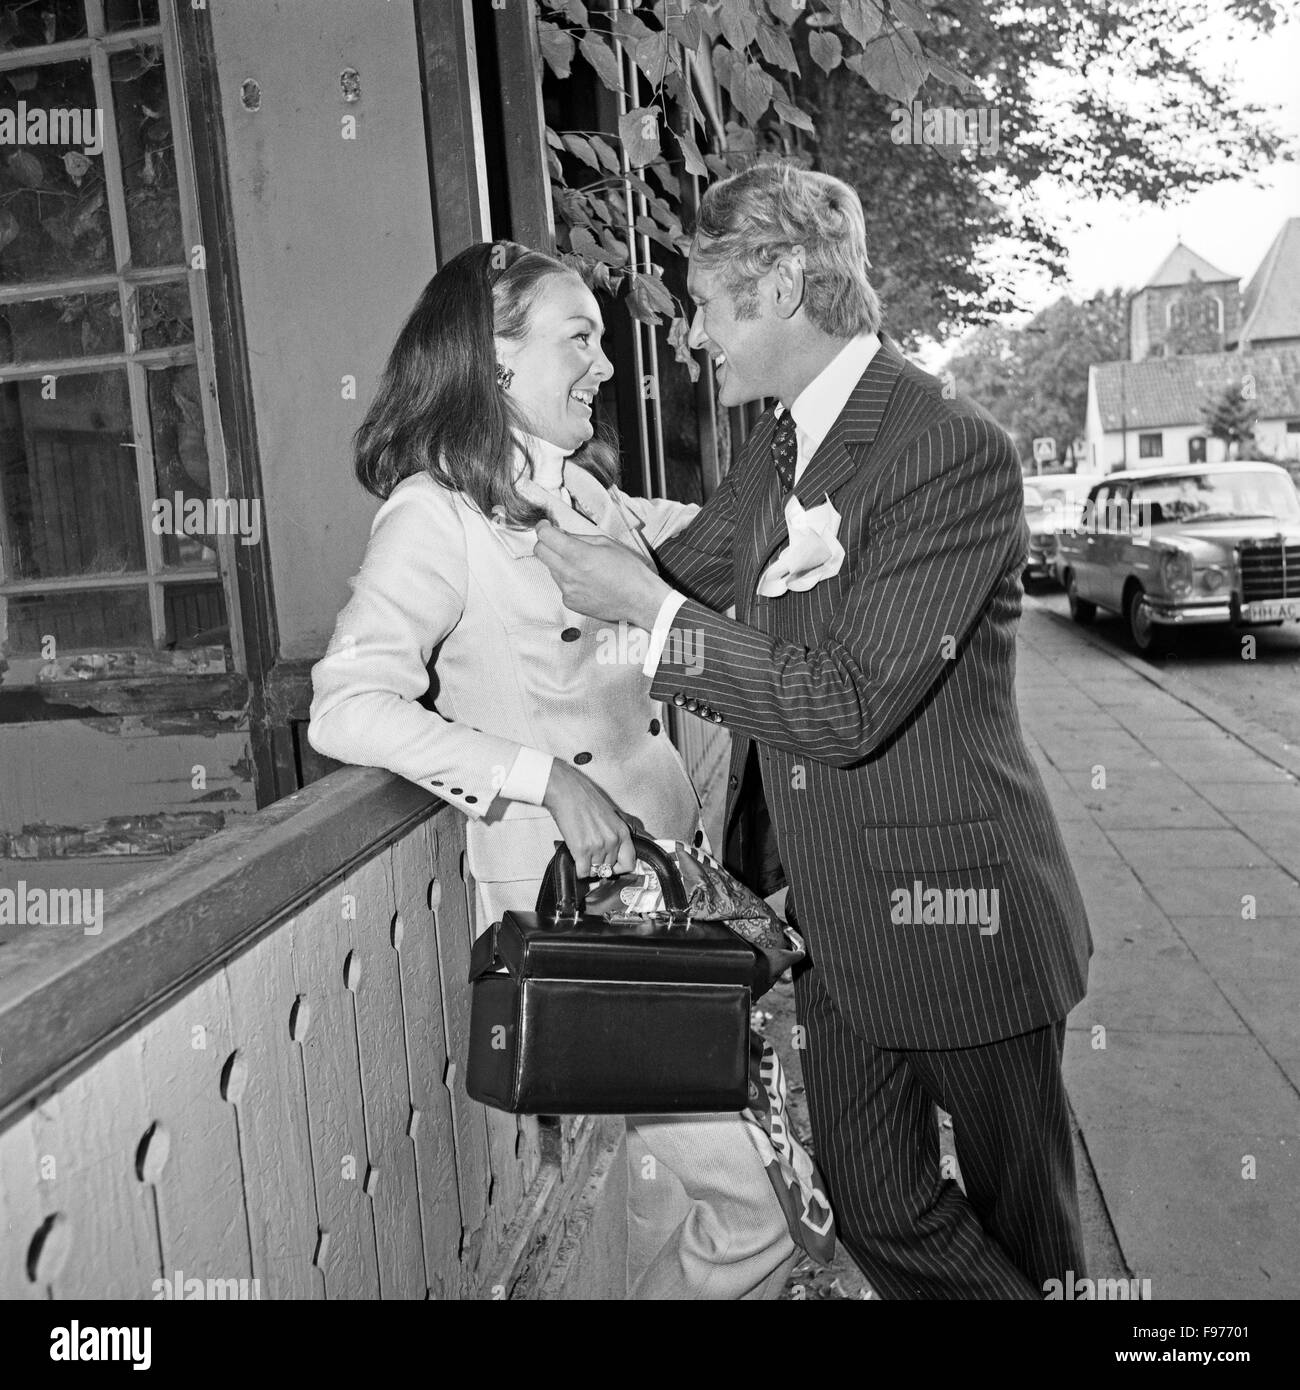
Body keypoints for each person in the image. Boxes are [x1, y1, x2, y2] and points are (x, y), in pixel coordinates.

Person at [534, 162, 1094, 1300]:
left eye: (704, 300)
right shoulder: (786, 444)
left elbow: (840, 706)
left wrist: (643, 611)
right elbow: (682, 569)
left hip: (966, 921)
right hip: (838, 925)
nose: (692, 333)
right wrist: (536, 498)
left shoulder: (949, 448)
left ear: (783, 283)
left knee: (1032, 1241)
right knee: (871, 1199)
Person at [307, 240, 797, 1300]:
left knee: (664, 1177)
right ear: (490, 362)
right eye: (579, 337)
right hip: (584, 898)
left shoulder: (576, 490)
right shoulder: (433, 515)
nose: (606, 365)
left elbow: (703, 546)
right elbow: (346, 706)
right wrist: (540, 775)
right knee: (759, 1203)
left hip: (665, 872)